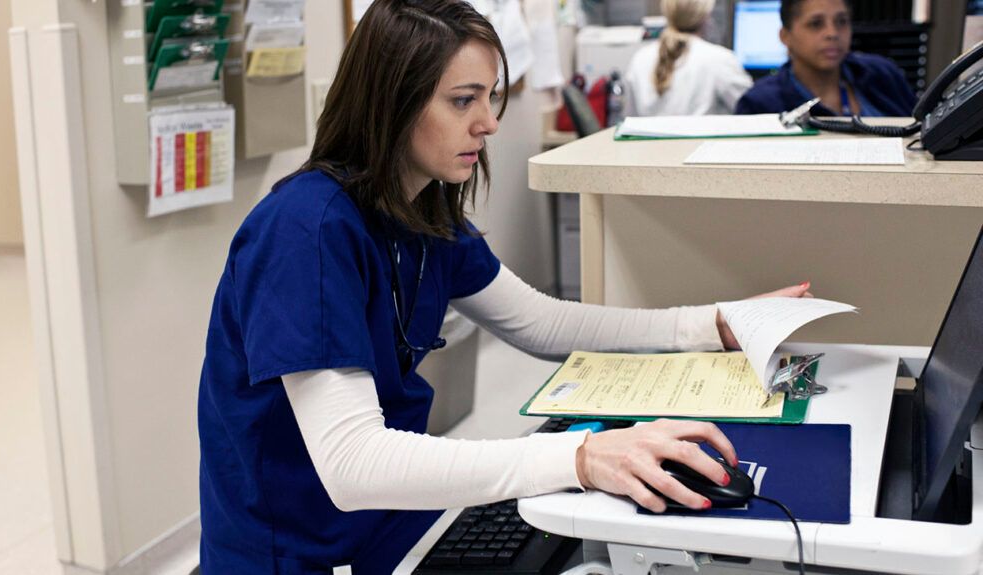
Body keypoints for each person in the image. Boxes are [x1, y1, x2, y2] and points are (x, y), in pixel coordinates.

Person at [197, 1, 811, 573]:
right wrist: (579, 459)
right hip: (299, 548)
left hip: (386, 524)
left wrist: (706, 326)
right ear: (393, 102)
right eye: (464, 101)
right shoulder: (305, 231)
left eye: (489, 97)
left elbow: (539, 322)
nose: (489, 122)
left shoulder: (420, 211)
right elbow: (354, 463)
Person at [735, 0, 916, 116]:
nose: (832, 33)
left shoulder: (882, 74)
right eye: (816, 24)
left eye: (841, 22)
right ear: (785, 36)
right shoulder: (759, 103)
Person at [624, 0, 752, 116]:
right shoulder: (720, 59)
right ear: (705, 17)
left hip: (649, 143)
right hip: (704, 141)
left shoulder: (640, 58)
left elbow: (629, 121)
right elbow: (753, 109)